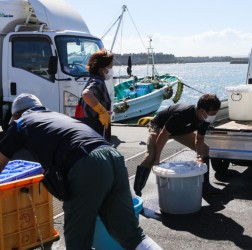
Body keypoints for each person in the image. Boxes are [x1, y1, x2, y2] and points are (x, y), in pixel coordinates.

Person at [0, 93, 162, 250]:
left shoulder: (20, 124)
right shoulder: (56, 116)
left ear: (16, 115)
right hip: (113, 156)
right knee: (130, 234)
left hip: (86, 163)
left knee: (77, 239)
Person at [133, 93, 221, 197]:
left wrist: (199, 157)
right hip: (159, 128)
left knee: (205, 150)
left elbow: (200, 138)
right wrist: (157, 159)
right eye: (213, 113)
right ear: (202, 111)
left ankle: (205, 186)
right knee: (150, 157)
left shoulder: (205, 118)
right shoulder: (182, 114)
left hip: (180, 131)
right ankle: (137, 190)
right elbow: (163, 135)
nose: (214, 116)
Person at [80, 49, 113, 141]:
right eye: (110, 67)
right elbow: (86, 94)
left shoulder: (94, 79)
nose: (111, 70)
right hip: (96, 128)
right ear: (102, 68)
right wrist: (102, 111)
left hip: (93, 127)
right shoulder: (97, 81)